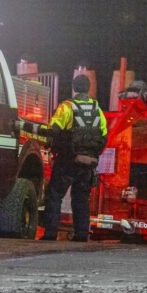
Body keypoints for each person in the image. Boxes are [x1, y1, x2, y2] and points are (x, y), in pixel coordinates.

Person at [38, 74, 107, 242]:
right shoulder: (97, 109)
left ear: (74, 88)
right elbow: (104, 136)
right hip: (88, 163)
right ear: (89, 88)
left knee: (54, 195)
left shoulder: (67, 107)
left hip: (67, 160)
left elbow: (53, 130)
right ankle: (81, 235)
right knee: (81, 198)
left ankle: (50, 234)